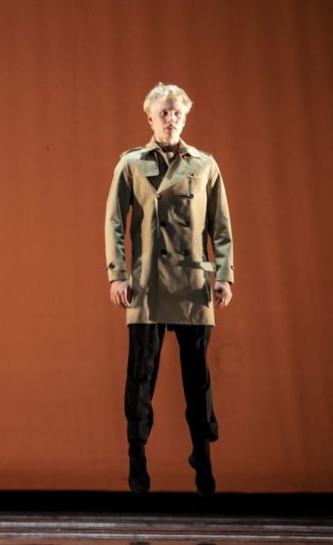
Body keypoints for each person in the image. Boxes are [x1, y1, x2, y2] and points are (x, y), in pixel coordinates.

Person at [104, 83, 234, 496]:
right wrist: (117, 275)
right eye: (163, 112)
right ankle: (137, 458)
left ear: (185, 117)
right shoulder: (131, 164)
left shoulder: (205, 165)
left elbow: (221, 226)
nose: (171, 118)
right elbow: (114, 224)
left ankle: (202, 454)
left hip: (193, 281)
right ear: (149, 117)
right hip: (147, 284)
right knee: (141, 376)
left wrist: (225, 274)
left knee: (198, 377)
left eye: (177, 112)